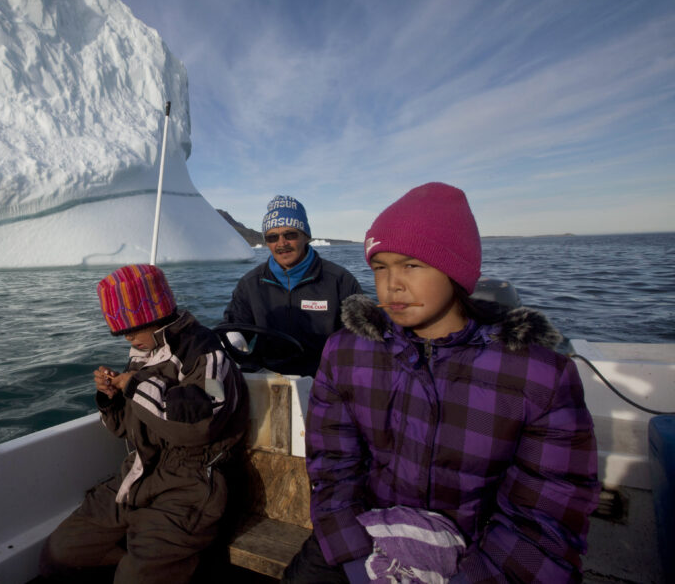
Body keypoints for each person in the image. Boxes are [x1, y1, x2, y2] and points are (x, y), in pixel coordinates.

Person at [283, 182, 600, 584]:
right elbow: (333, 469)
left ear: (456, 269)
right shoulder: (347, 354)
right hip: (363, 540)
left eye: (411, 265)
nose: (391, 284)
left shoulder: (537, 376)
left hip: (479, 557)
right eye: (380, 267)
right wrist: (354, 556)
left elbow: (545, 516)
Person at [40, 263, 249, 584]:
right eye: (120, 331)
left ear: (155, 315)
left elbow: (204, 419)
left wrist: (138, 387)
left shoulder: (208, 355)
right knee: (60, 551)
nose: (127, 337)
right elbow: (127, 429)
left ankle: (159, 568)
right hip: (139, 474)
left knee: (134, 578)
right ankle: (156, 567)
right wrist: (112, 400)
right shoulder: (142, 352)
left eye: (132, 329)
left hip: (191, 486)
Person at [223, 195, 362, 376]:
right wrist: (231, 340)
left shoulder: (340, 281)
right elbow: (233, 327)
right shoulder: (251, 284)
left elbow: (361, 340)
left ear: (306, 236)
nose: (281, 243)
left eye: (290, 235)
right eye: (273, 237)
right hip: (266, 377)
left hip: (324, 380)